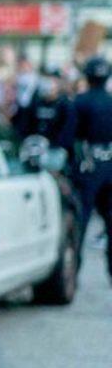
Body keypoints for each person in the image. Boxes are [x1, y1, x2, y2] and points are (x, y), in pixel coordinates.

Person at [71, 56, 112, 280]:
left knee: (81, 220)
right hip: (109, 165)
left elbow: (71, 137)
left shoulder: (80, 102)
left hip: (88, 166)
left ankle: (73, 269)